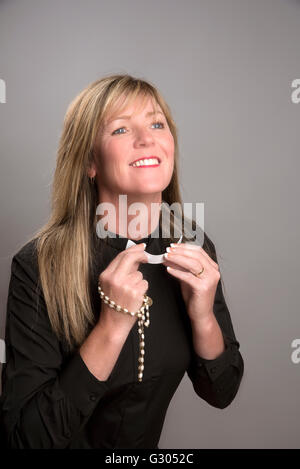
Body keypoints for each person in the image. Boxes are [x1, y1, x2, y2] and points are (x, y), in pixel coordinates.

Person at [0, 74, 244, 449]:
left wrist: (203, 316)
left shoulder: (192, 246)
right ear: (89, 162)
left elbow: (222, 391)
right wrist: (110, 327)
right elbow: (23, 441)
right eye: (120, 130)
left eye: (156, 123)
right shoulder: (39, 266)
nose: (147, 139)